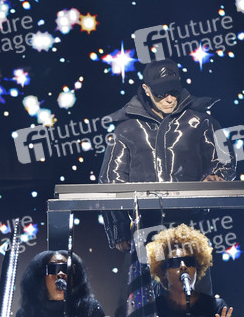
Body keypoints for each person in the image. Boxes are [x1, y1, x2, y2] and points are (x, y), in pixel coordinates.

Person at [99, 58, 236, 251]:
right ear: (146, 89)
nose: (169, 99)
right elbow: (111, 180)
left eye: (173, 91)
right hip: (145, 227)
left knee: (193, 270)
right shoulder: (125, 130)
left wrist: (217, 175)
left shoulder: (204, 122)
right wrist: (118, 228)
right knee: (148, 270)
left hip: (195, 226)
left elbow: (225, 161)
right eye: (161, 93)